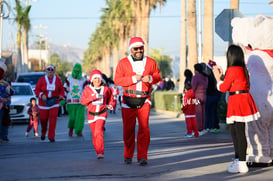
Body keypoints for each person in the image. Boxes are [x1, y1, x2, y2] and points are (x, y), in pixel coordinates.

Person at [212, 44, 260, 173]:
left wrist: (217, 77)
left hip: (237, 101)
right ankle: (239, 160)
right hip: (242, 100)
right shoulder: (242, 69)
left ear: (231, 56)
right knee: (237, 132)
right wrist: (222, 77)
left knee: (238, 133)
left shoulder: (233, 69)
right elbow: (233, 84)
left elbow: (223, 88)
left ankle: (241, 163)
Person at [114, 37, 161, 166]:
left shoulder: (151, 62)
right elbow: (117, 80)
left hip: (144, 99)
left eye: (141, 48)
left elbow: (158, 76)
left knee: (144, 129)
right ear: (131, 49)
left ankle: (142, 156)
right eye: (136, 48)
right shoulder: (123, 63)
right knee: (128, 130)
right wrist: (133, 79)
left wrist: (151, 78)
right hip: (128, 100)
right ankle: (128, 155)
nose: (139, 50)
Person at [81, 69, 115, 159]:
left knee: (98, 132)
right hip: (91, 115)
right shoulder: (88, 90)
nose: (97, 80)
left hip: (102, 113)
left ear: (101, 80)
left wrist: (111, 104)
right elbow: (83, 101)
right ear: (92, 80)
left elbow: (112, 97)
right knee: (94, 135)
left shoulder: (106, 89)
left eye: (99, 78)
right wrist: (92, 98)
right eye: (95, 78)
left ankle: (100, 152)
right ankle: (98, 151)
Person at [34, 64, 65, 143]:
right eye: (48, 70)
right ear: (46, 71)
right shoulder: (41, 79)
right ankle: (43, 132)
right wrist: (41, 95)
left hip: (54, 102)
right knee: (43, 119)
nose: (50, 72)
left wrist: (61, 96)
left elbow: (61, 90)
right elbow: (37, 90)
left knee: (53, 120)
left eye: (52, 70)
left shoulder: (57, 80)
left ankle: (51, 136)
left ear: (54, 71)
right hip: (43, 103)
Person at [63, 63, 89, 137]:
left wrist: (88, 100)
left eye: (78, 71)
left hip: (81, 103)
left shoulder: (84, 80)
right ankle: (71, 128)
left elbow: (87, 90)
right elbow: (65, 89)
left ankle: (78, 130)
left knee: (80, 118)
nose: (76, 72)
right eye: (75, 71)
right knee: (72, 118)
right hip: (71, 102)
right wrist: (63, 99)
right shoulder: (69, 79)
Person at [205, 60, 221, 133]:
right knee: (214, 111)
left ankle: (209, 126)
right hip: (216, 96)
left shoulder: (207, 77)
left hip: (209, 96)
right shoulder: (216, 76)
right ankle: (215, 126)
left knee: (208, 112)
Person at [191, 63, 208, 135]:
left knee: (198, 114)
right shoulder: (205, 77)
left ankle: (199, 129)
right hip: (204, 95)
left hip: (197, 96)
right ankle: (203, 128)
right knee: (203, 113)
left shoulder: (195, 77)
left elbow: (193, 87)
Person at [0, 62, 14, 142]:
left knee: (5, 120)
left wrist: (6, 100)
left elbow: (11, 92)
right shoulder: (5, 83)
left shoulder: (6, 83)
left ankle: (4, 136)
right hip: (3, 104)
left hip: (4, 105)